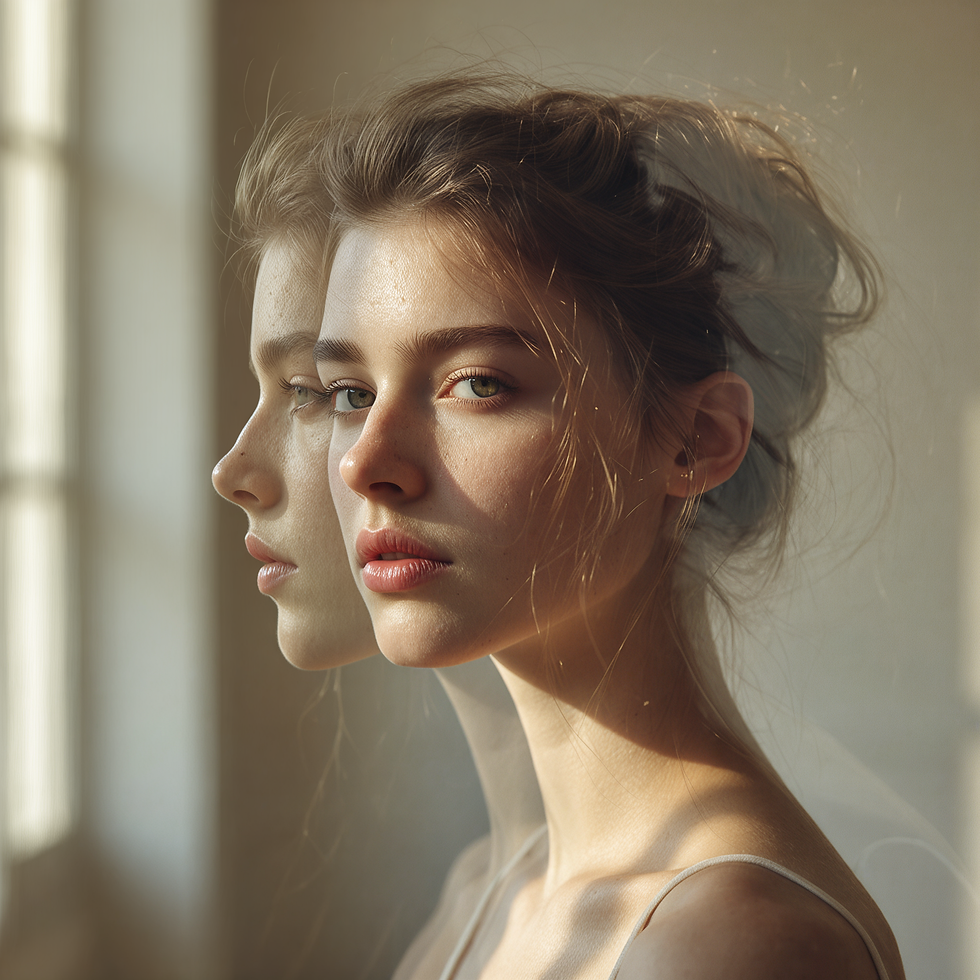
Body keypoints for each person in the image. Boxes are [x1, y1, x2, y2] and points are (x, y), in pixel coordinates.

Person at [303, 72, 906, 979]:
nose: (364, 462)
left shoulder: (726, 945)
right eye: (351, 393)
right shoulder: (487, 893)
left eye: (477, 383)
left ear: (697, 440)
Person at [211, 134, 546, 978]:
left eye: (320, 392)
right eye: (350, 391)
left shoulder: (707, 935)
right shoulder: (478, 886)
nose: (233, 473)